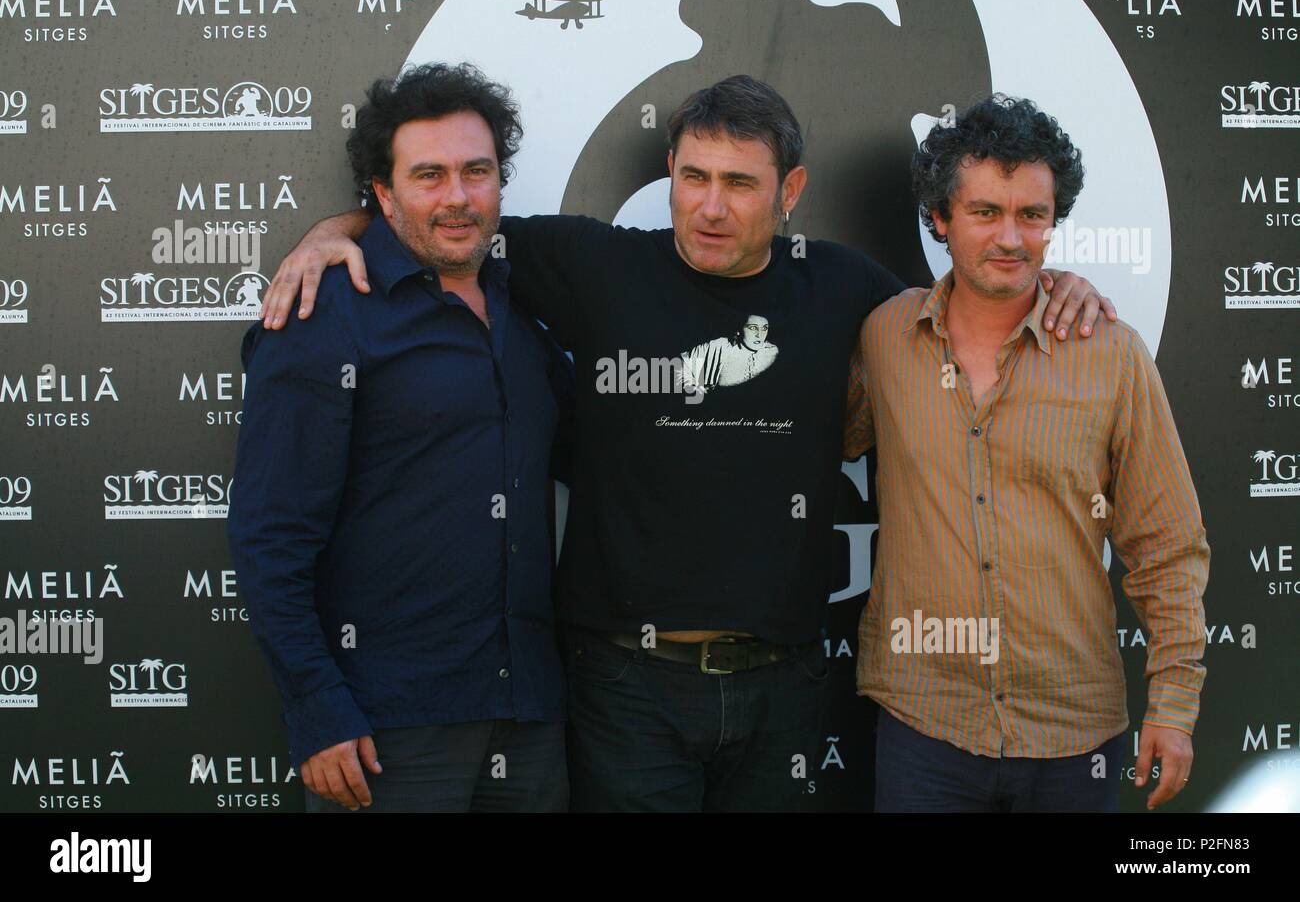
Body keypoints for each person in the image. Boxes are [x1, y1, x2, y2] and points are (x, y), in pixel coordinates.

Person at [259, 74, 1113, 812]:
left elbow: (962, 313)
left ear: (791, 190)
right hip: (623, 686)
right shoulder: (590, 264)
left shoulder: (843, 285)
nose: (710, 205)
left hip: (785, 686)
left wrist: (1052, 279)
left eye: (740, 183)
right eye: (693, 176)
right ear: (669, 170)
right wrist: (336, 232)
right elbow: (447, 220)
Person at [843, 95, 1209, 812]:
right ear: (941, 219)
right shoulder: (885, 338)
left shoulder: (1110, 355)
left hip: (1073, 738)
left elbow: (1168, 544)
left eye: (1031, 216)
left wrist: (1173, 704)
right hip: (925, 726)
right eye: (985, 212)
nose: (1010, 237)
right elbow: (807, 437)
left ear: (1053, 222)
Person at [227, 63, 573, 813]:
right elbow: (268, 536)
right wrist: (317, 709)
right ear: (382, 195)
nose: (457, 196)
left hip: (530, 717)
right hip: (386, 731)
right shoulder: (325, 315)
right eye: (429, 175)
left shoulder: (524, 315)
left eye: (476, 171)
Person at [678, 313, 778, 398]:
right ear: (739, 330)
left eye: (764, 328)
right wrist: (692, 386)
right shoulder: (719, 346)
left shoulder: (771, 352)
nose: (759, 335)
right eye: (753, 328)